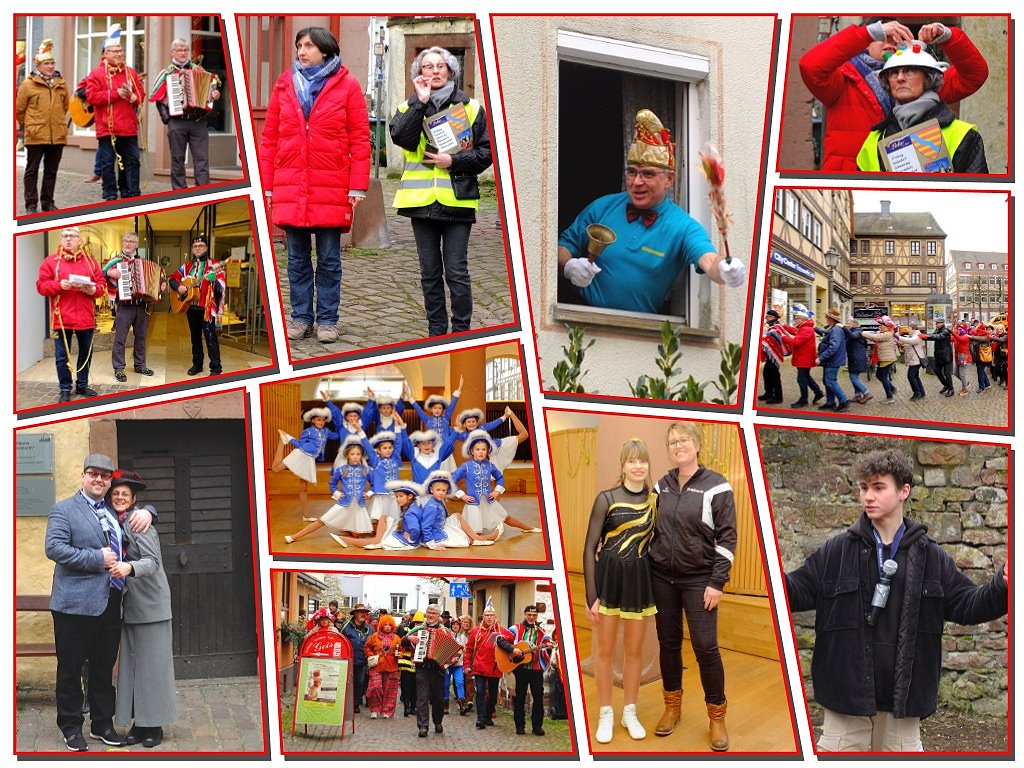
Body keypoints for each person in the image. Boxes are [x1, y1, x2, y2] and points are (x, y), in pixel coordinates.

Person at [784, 449, 1008, 752]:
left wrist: (1005, 582)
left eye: (878, 487)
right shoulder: (836, 550)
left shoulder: (931, 556)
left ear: (904, 491)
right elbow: (795, 590)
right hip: (846, 698)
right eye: (864, 487)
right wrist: (767, 570)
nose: (868, 497)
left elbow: (969, 604)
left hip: (903, 700)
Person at [558, 109, 746, 312]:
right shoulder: (603, 206)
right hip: (580, 316)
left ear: (669, 180)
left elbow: (708, 260)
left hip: (642, 332)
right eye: (631, 172)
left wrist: (725, 270)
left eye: (648, 174)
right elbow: (561, 247)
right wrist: (569, 266)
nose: (637, 182)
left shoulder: (683, 226)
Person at [258, 26, 371, 344]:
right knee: (295, 259)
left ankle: (328, 320)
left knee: (330, 260)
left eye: (308, 45)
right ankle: (301, 318)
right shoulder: (284, 86)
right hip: (291, 185)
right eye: (299, 46)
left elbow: (360, 139)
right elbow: (270, 141)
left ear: (325, 49)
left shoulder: (347, 86)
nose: (301, 51)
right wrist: (268, 185)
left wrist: (357, 186)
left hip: (331, 186)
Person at [44, 454, 153, 751]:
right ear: (83, 476)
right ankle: (70, 727)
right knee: (71, 668)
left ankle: (103, 725)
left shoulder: (111, 508)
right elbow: (53, 548)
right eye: (94, 474)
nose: (99, 480)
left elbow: (134, 507)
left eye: (105, 476)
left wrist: (151, 512)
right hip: (74, 606)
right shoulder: (64, 510)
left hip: (111, 602)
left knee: (103, 669)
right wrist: (96, 559)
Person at [390, 47, 494, 337]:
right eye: (427, 66)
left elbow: (486, 154)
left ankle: (461, 331)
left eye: (440, 66)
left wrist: (454, 160)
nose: (434, 71)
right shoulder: (406, 108)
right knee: (429, 273)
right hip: (420, 202)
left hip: (457, 200)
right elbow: (403, 139)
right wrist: (421, 104)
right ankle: (437, 330)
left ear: (450, 71)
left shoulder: (471, 108)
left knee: (457, 272)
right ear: (419, 74)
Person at [800, 19, 987, 171]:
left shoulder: (922, 82)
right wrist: (869, 32)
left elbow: (974, 75)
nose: (891, 42)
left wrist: (947, 36)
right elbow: (810, 66)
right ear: (867, 42)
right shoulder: (843, 79)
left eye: (897, 37)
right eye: (883, 37)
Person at [651, 422, 736, 751]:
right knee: (668, 643)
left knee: (705, 647)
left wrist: (717, 581)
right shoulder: (662, 484)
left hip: (700, 579)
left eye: (683, 440)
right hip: (662, 578)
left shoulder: (717, 486)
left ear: (697, 444)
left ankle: (717, 716)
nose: (677, 446)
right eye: (672, 442)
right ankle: (672, 707)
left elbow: (727, 537)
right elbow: (649, 528)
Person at [584, 438, 657, 744]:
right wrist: (592, 595)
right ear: (623, 465)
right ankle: (605, 713)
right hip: (609, 579)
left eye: (642, 461)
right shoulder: (607, 498)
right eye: (632, 461)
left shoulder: (655, 499)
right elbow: (590, 547)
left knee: (634, 652)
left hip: (639, 580)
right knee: (604, 651)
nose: (638, 466)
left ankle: (629, 710)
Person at [107, 470, 176, 749]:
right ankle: (139, 723)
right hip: (129, 606)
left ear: (134, 499)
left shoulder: (140, 524)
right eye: (116, 494)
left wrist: (130, 567)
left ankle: (154, 726)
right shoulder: (112, 522)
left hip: (151, 605)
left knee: (154, 668)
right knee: (134, 668)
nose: (120, 498)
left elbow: (153, 562)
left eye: (125, 494)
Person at [857, 41, 988, 173]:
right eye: (894, 73)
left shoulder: (962, 134)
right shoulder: (874, 139)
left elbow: (978, 192)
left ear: (928, 78)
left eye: (909, 71)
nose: (900, 78)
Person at [35, 227, 104, 403]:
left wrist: (93, 289)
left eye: (72, 236)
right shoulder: (51, 262)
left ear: (79, 240)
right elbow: (41, 286)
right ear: (60, 239)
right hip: (61, 318)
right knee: (61, 357)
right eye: (64, 236)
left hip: (86, 317)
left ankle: (82, 385)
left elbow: (101, 286)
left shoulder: (91, 262)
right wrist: (58, 286)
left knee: (85, 355)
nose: (68, 239)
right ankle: (65, 389)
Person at [148, 38, 221, 189]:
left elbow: (210, 93)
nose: (182, 53)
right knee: (177, 159)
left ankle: (203, 192)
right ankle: (180, 192)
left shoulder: (200, 71)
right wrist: (168, 120)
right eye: (179, 50)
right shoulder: (166, 73)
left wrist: (214, 95)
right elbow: (158, 98)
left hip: (198, 122)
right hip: (177, 122)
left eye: (185, 50)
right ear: (172, 52)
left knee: (201, 160)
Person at [84, 25, 144, 201]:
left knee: (132, 161)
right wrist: (115, 94)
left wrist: (133, 96)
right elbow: (92, 97)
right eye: (115, 51)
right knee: (108, 163)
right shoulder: (96, 73)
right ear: (106, 53)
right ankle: (110, 193)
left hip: (128, 125)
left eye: (121, 50)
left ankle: (131, 192)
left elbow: (141, 95)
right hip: (106, 126)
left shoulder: (130, 72)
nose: (119, 54)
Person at [452, 430, 542, 536]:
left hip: (489, 501)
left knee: (505, 518)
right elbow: (452, 481)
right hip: (473, 502)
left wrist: (496, 492)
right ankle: (485, 538)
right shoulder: (466, 466)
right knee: (475, 531)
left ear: (487, 451)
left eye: (484, 449)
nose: (481, 452)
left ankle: (528, 528)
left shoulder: (490, 465)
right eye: (478, 449)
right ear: (472, 451)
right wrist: (462, 496)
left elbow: (500, 478)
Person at [286, 436, 372, 543]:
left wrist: (369, 493)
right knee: (321, 521)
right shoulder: (341, 470)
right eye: (352, 454)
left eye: (358, 454)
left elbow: (374, 484)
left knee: (356, 534)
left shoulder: (366, 470)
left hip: (358, 507)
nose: (355, 457)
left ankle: (346, 531)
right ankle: (294, 536)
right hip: (343, 504)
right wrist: (337, 493)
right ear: (347, 456)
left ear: (361, 456)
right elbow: (332, 484)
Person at [103, 232, 163, 383]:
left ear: (137, 245)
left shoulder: (141, 262)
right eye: (126, 241)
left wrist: (161, 286)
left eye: (131, 241)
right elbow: (100, 273)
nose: (128, 244)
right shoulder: (116, 260)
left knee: (141, 338)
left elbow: (157, 279)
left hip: (142, 305)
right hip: (125, 305)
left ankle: (140, 365)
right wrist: (109, 272)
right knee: (120, 338)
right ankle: (119, 369)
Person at [17, 39, 68, 213]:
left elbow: (65, 106)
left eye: (52, 63)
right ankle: (31, 204)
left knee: (51, 171)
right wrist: (30, 126)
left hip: (57, 135)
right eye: (47, 63)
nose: (51, 66)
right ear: (38, 66)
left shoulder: (61, 83)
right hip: (36, 134)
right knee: (31, 171)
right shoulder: (27, 85)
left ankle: (48, 203)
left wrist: (57, 122)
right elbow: (19, 110)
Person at [167, 235, 226, 377]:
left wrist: (214, 282)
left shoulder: (216, 265)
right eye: (195, 246)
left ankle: (216, 369)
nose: (198, 248)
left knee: (211, 338)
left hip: (207, 308)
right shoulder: (187, 266)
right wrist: (179, 287)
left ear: (206, 247)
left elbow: (221, 287)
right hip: (191, 307)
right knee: (195, 338)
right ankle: (197, 365)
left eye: (201, 245)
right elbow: (171, 278)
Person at [273, 404, 340, 521]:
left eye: (323, 420)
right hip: (300, 455)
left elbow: (337, 435)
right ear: (313, 420)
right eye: (318, 420)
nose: (321, 422)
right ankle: (282, 440)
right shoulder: (308, 431)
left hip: (309, 460)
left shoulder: (326, 432)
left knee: (303, 488)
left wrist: (341, 424)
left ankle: (306, 516)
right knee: (276, 469)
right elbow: (300, 444)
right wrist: (290, 439)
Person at [497, 605, 554, 736]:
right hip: (521, 669)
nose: (532, 617)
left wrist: (549, 646)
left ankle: (537, 727)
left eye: (534, 615)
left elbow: (548, 643)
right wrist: (512, 650)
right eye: (529, 614)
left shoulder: (541, 632)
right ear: (525, 614)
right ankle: (520, 726)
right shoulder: (515, 629)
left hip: (536, 669)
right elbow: (500, 640)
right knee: (520, 697)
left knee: (538, 697)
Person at [407, 604, 457, 737]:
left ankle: (438, 721)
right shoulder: (419, 629)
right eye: (428, 612)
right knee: (422, 698)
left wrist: (451, 661)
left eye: (433, 613)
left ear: (439, 615)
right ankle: (423, 726)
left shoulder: (446, 632)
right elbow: (403, 640)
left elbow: (456, 651)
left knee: (438, 699)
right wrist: (409, 638)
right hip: (422, 668)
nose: (430, 615)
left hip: (438, 670)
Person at [464, 598, 513, 730]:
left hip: (495, 667)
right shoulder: (476, 631)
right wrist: (467, 665)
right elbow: (468, 649)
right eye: (487, 615)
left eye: (492, 615)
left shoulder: (502, 631)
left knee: (492, 695)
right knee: (480, 692)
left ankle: (488, 716)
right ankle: (480, 718)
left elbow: (512, 639)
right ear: (483, 617)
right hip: (479, 667)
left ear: (495, 616)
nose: (489, 618)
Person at [784, 304, 825, 408]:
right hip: (803, 358)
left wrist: (783, 337)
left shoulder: (806, 329)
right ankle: (818, 392)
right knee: (806, 377)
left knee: (801, 379)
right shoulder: (804, 327)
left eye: (796, 318)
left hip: (804, 358)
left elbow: (796, 342)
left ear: (802, 319)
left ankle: (804, 399)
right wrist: (784, 326)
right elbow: (795, 331)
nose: (795, 320)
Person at [364, 611, 401, 719]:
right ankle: (375, 709)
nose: (388, 627)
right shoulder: (374, 636)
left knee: (390, 690)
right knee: (375, 687)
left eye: (390, 625)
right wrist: (372, 656)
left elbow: (402, 650)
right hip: (377, 666)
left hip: (391, 667)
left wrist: (400, 654)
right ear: (381, 625)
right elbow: (367, 647)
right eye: (385, 624)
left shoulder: (396, 638)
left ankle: (387, 711)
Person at [339, 605, 373, 713]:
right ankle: (345, 703)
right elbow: (340, 642)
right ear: (355, 614)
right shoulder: (346, 627)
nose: (363, 614)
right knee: (347, 682)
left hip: (362, 661)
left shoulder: (369, 629)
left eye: (364, 612)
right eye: (360, 612)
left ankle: (356, 704)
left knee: (360, 682)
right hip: (348, 660)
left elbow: (372, 644)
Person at [816, 307, 850, 412]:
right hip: (830, 360)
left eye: (827, 316)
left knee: (830, 381)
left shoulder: (835, 329)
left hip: (833, 360)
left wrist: (820, 358)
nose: (825, 318)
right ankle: (830, 402)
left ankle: (844, 401)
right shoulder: (833, 328)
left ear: (831, 318)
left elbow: (833, 347)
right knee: (827, 381)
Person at [759, 308, 791, 405]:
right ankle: (768, 393)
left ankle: (778, 396)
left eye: (768, 317)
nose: (766, 319)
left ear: (773, 317)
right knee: (766, 373)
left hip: (774, 354)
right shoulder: (772, 327)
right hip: (770, 354)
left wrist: (765, 340)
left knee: (774, 375)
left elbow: (778, 340)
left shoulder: (776, 327)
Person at [919, 318, 955, 397]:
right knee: (937, 371)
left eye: (937, 323)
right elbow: (933, 335)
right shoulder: (938, 330)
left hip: (946, 356)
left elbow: (938, 336)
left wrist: (925, 336)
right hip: (940, 355)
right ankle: (946, 385)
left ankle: (951, 389)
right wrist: (926, 336)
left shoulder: (945, 331)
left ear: (941, 323)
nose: (936, 324)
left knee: (947, 373)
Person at [897, 322, 928, 400]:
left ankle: (917, 393)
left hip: (916, 359)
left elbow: (911, 341)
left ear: (913, 329)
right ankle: (921, 392)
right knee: (915, 376)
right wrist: (897, 338)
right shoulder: (912, 335)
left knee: (911, 376)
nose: (908, 330)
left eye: (909, 329)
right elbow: (906, 341)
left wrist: (898, 337)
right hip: (913, 359)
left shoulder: (917, 336)